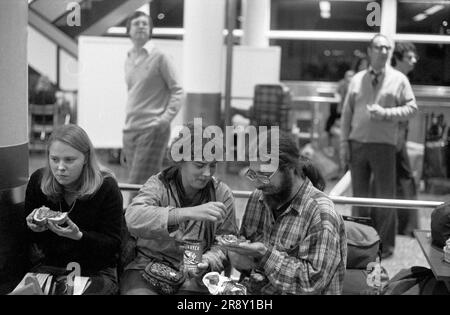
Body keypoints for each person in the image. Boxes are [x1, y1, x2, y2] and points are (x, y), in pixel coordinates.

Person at [120, 122, 238, 295]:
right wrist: (185, 213)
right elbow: (133, 217)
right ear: (180, 161)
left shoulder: (222, 193)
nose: (207, 173)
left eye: (213, 165)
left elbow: (227, 242)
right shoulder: (159, 184)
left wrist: (208, 260)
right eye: (199, 165)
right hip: (147, 268)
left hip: (196, 278)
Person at [227, 130, 347, 295]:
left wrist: (264, 254)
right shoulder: (258, 198)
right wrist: (240, 256)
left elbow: (311, 284)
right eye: (254, 174)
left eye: (265, 174)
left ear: (290, 166)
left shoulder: (320, 213)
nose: (258, 184)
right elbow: (249, 262)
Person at [340, 34, 417, 258]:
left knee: (385, 198)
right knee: (359, 198)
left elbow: (412, 109)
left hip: (384, 146)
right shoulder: (357, 79)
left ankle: (385, 247)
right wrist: (344, 143)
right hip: (358, 144)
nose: (383, 51)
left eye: (387, 48)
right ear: (370, 50)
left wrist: (386, 114)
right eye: (379, 47)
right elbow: (347, 115)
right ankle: (358, 244)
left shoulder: (399, 79)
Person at [24, 124, 123, 295]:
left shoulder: (106, 187)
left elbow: (113, 245)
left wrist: (79, 236)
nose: (60, 167)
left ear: (86, 158)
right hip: (51, 266)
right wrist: (32, 227)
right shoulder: (38, 181)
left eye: (69, 160)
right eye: (54, 159)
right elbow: (31, 242)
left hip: (96, 270)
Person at [122, 11, 183, 194]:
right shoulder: (129, 57)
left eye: (144, 23)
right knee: (141, 183)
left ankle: (132, 221)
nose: (141, 26)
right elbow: (135, 93)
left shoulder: (160, 56)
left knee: (137, 184)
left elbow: (178, 90)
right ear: (129, 30)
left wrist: (163, 120)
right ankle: (149, 219)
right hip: (130, 128)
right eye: (136, 23)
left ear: (150, 30)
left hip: (152, 128)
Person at [391, 42, 420, 236]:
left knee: (402, 181)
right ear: (399, 59)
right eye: (409, 57)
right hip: (393, 138)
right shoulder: (397, 79)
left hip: (396, 137)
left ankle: (406, 226)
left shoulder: (401, 78)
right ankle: (408, 226)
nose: (414, 61)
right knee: (405, 180)